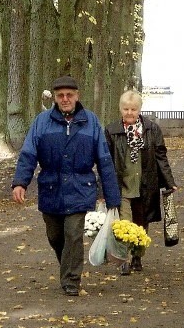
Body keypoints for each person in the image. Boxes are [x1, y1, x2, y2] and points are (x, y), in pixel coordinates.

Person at [11, 75, 121, 296]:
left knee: (73, 234)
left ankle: (72, 280)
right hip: (50, 187)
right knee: (55, 236)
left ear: (77, 96)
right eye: (60, 95)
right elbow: (29, 153)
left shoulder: (91, 122)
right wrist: (20, 182)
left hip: (81, 187)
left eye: (69, 95)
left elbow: (105, 160)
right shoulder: (42, 122)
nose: (65, 99)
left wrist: (112, 197)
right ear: (55, 98)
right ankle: (67, 267)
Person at [105, 89, 177, 275]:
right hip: (123, 186)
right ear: (120, 109)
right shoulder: (112, 131)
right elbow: (106, 161)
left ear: (139, 110)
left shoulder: (152, 130)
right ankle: (123, 260)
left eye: (133, 109)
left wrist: (169, 181)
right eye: (126, 109)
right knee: (123, 224)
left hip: (146, 184)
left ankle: (137, 256)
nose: (129, 113)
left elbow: (161, 156)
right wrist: (103, 188)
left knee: (141, 224)